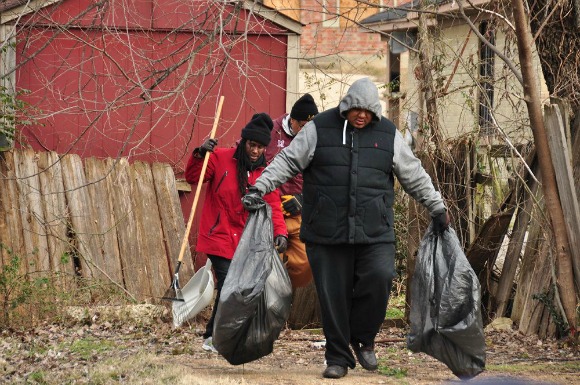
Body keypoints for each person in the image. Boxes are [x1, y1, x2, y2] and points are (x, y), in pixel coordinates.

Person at [242, 78, 450, 379]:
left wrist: (437, 206)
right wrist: (260, 188)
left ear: (375, 111)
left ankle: (363, 337)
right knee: (333, 296)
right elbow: (287, 161)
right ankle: (337, 358)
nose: (361, 116)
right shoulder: (319, 129)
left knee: (380, 279)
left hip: (374, 230)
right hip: (326, 231)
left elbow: (413, 174)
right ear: (345, 107)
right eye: (356, 110)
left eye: (367, 111)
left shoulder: (387, 134)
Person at [185, 112, 289, 353]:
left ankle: (214, 335)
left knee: (235, 288)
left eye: (261, 147)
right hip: (218, 235)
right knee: (231, 285)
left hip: (245, 242)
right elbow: (193, 177)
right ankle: (215, 337)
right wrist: (200, 154)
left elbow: (273, 205)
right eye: (252, 145)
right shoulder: (220, 158)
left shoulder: (266, 174)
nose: (255, 151)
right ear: (243, 142)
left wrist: (280, 232)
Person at [264, 93, 319, 288]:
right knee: (267, 262)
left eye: (310, 126)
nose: (306, 131)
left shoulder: (317, 138)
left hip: (298, 213)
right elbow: (246, 155)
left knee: (306, 263)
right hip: (269, 212)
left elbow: (324, 176)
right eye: (303, 125)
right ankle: (265, 304)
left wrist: (303, 199)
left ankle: (283, 292)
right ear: (292, 120)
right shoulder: (270, 130)